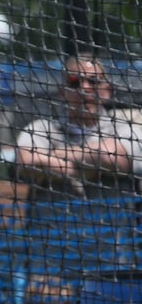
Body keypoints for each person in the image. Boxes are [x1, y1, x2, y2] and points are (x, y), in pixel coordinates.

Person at [14, 56, 142, 272]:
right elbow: (26, 162)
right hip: (51, 267)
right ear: (63, 92)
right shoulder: (41, 128)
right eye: (75, 82)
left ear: (107, 89)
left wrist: (55, 159)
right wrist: (91, 165)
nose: (84, 88)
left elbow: (113, 157)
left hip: (114, 267)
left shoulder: (127, 126)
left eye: (93, 81)